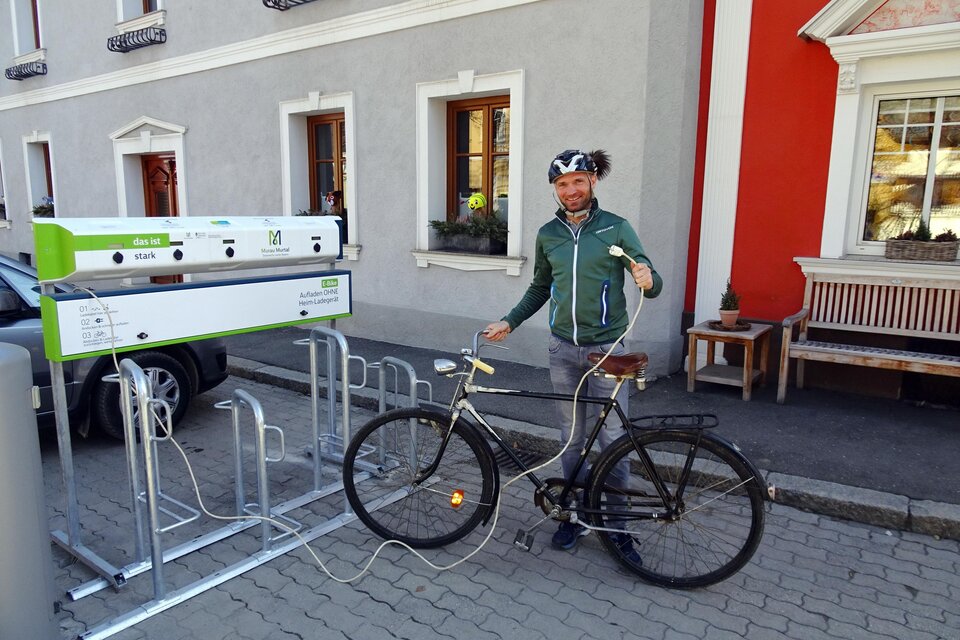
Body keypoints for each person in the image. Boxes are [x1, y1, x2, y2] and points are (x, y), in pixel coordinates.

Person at [484, 148, 662, 554]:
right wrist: (509, 320)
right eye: (562, 184)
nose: (570, 190)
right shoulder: (549, 234)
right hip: (562, 351)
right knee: (571, 440)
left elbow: (654, 285)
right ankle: (578, 517)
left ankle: (616, 527)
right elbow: (539, 288)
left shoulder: (616, 228)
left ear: (592, 181)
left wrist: (647, 279)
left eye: (577, 181)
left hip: (607, 351)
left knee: (613, 441)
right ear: (555, 189)